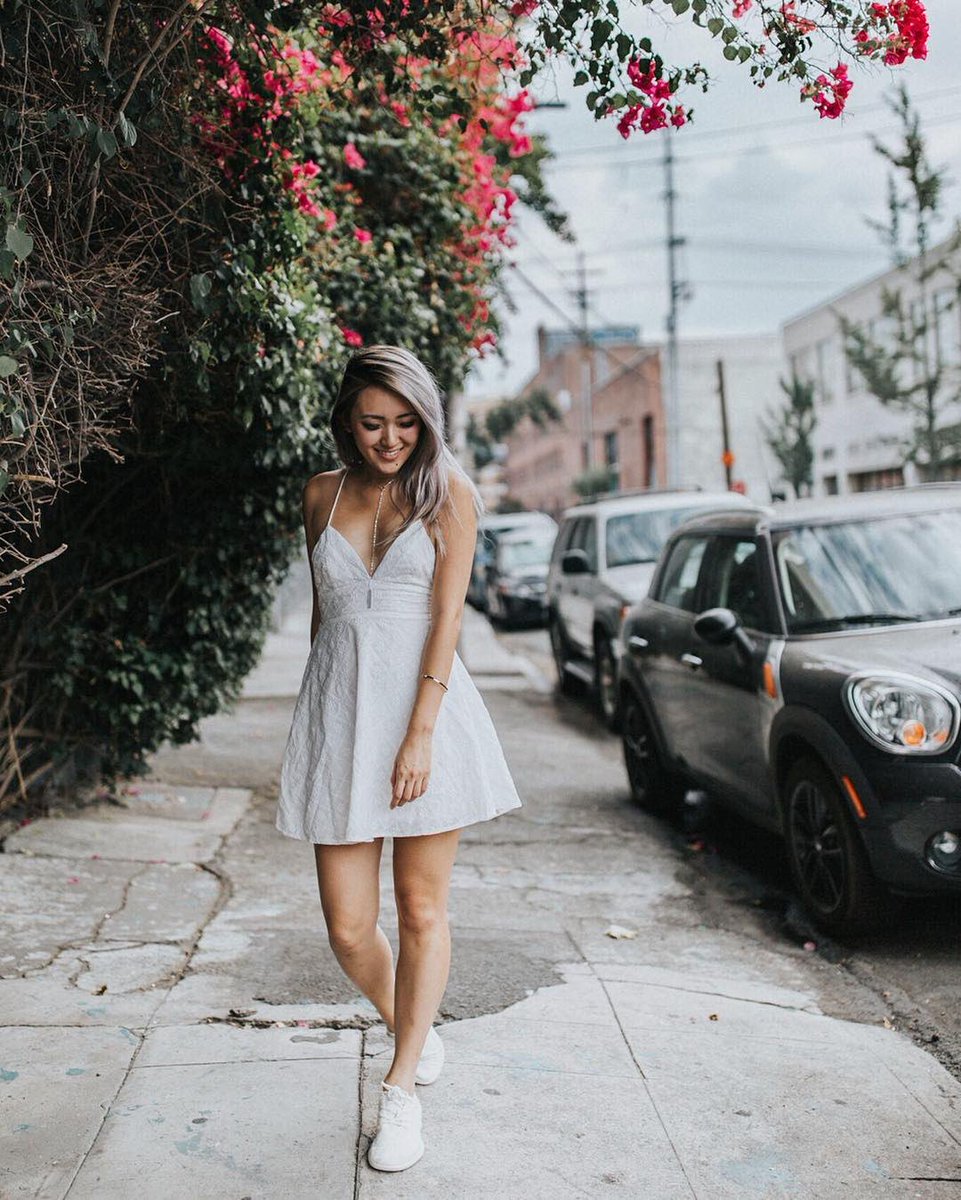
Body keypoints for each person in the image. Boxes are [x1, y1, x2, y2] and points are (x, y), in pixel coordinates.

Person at [274, 344, 523, 1173]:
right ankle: (413, 1023)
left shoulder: (450, 490)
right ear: (347, 418)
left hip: (428, 722)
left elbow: (446, 621)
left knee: (420, 912)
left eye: (406, 423)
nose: (390, 441)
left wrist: (420, 732)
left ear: (428, 419)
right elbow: (326, 620)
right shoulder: (320, 495)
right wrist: (313, 732)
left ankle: (403, 1086)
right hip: (342, 720)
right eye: (374, 423)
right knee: (348, 927)